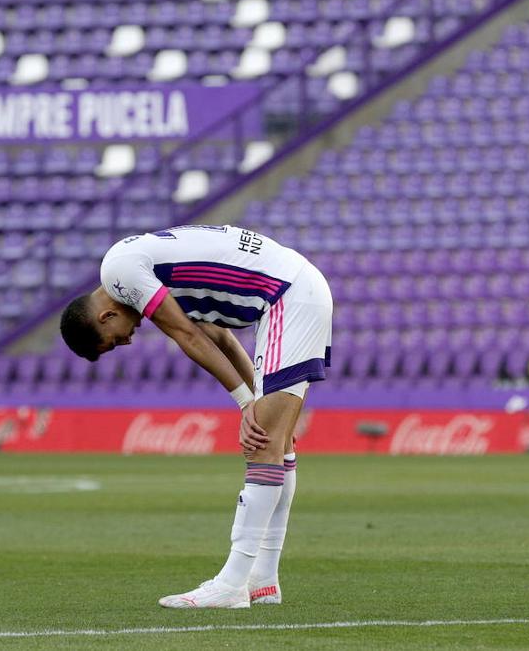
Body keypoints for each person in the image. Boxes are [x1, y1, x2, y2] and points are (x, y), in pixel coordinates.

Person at [60, 225, 332, 608]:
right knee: (276, 441)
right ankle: (263, 580)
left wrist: (246, 405)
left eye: (116, 340)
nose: (128, 339)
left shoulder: (121, 272)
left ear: (105, 316)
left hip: (288, 297)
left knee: (261, 444)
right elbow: (220, 337)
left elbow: (188, 337)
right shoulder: (150, 273)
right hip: (298, 290)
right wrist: (254, 398)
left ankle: (233, 584)